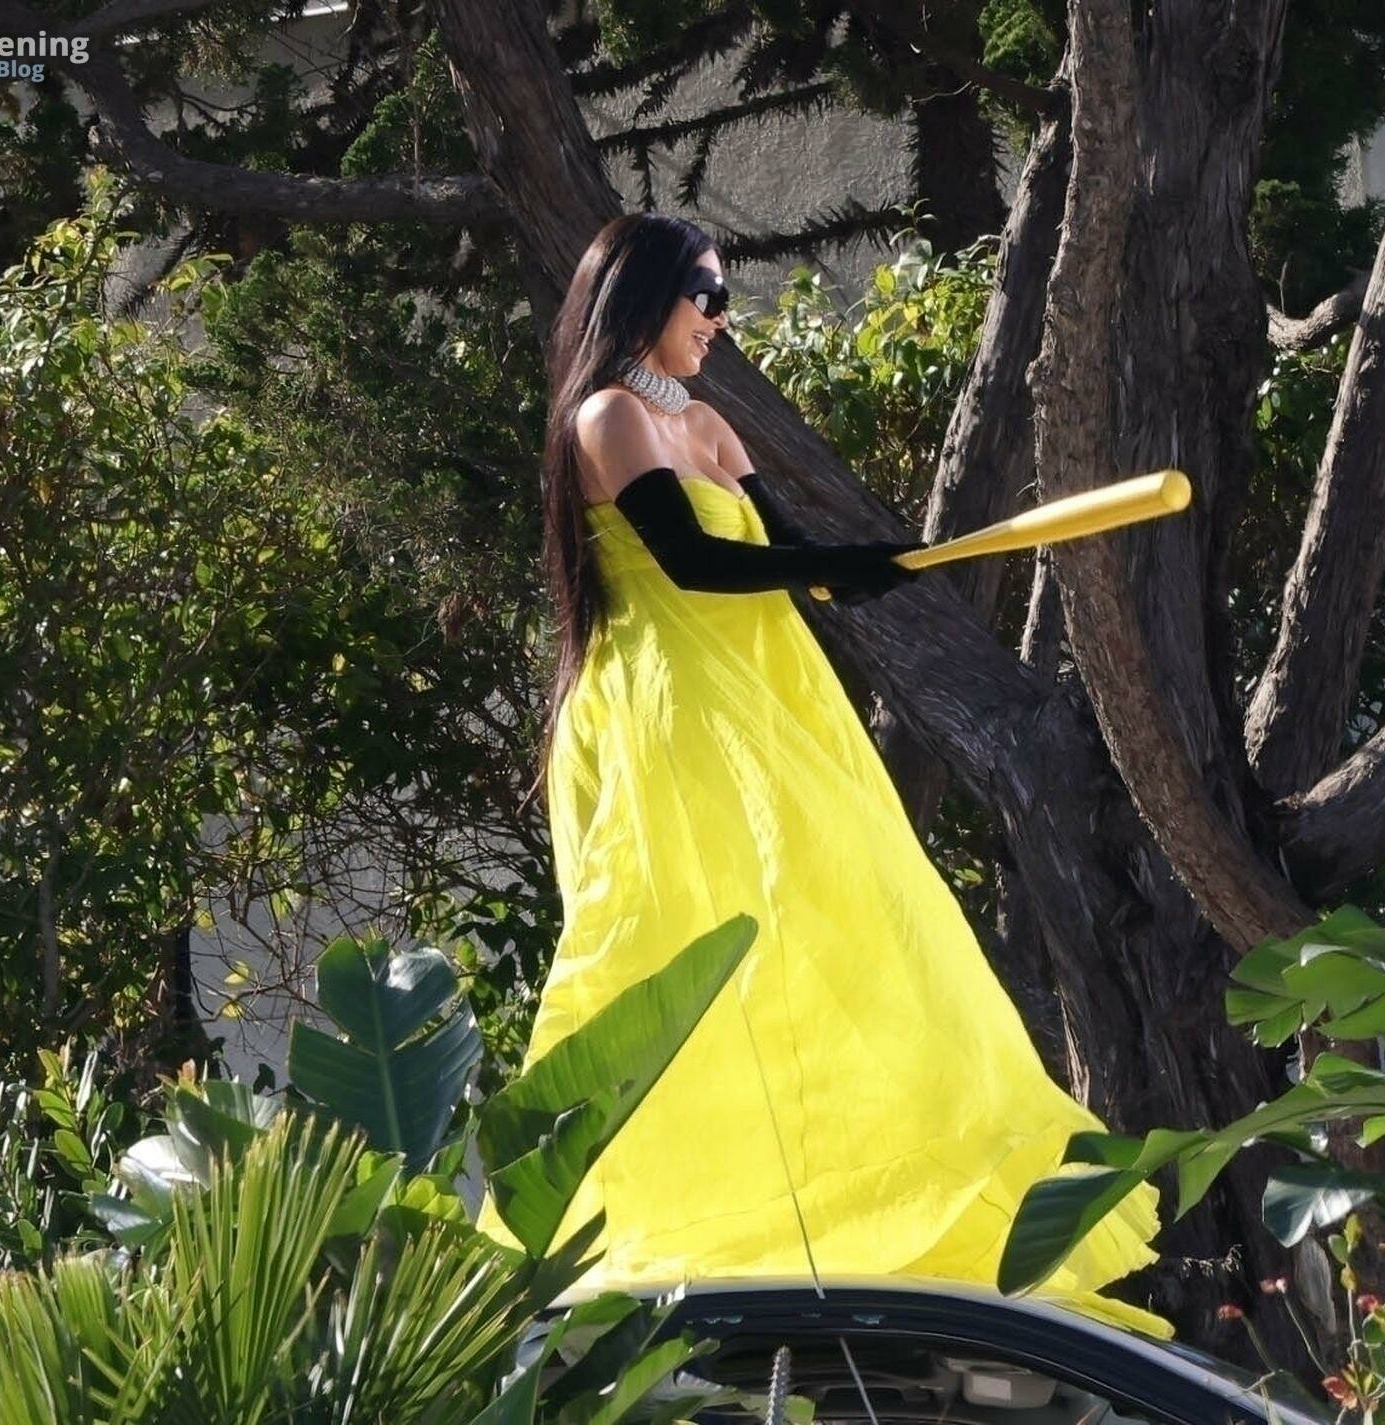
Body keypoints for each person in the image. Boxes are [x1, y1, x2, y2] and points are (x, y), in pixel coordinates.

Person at [474, 211, 1168, 1337]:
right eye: (704, 294)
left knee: (853, 921)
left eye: (724, 296)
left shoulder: (707, 423)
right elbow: (698, 563)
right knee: (676, 938)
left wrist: (862, 568)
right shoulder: (607, 418)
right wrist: (843, 560)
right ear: (642, 295)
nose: (719, 317)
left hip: (772, 707)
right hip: (677, 712)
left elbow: (790, 556)